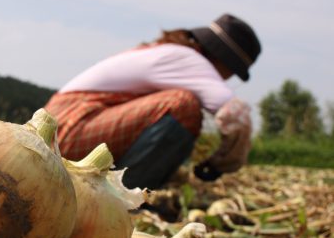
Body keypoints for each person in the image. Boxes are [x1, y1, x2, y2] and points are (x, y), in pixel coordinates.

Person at [45, 14, 262, 189]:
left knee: (178, 106)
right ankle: (121, 200)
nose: (227, 79)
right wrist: (224, 161)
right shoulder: (190, 60)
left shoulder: (169, 52)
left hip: (58, 125)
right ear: (225, 60)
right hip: (68, 126)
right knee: (183, 107)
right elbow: (235, 115)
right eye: (232, 72)